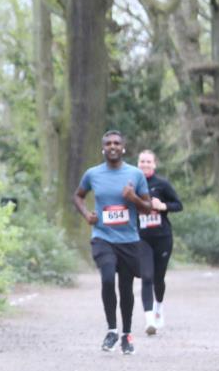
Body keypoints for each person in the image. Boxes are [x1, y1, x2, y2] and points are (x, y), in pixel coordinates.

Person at [73, 130, 153, 355]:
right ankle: (111, 330)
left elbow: (147, 208)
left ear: (123, 147)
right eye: (108, 143)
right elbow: (78, 195)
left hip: (128, 239)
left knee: (126, 288)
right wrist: (86, 214)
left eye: (117, 143)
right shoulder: (93, 174)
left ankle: (127, 334)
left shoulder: (136, 175)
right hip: (102, 237)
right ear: (103, 148)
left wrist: (133, 198)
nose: (112, 146)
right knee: (108, 279)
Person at [136, 150, 183, 332]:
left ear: (154, 164)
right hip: (142, 237)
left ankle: (159, 307)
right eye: (142, 161)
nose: (145, 164)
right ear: (138, 164)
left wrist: (162, 206)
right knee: (146, 276)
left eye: (148, 161)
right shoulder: (133, 183)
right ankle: (149, 319)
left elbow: (178, 205)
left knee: (158, 278)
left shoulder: (162, 184)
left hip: (163, 237)